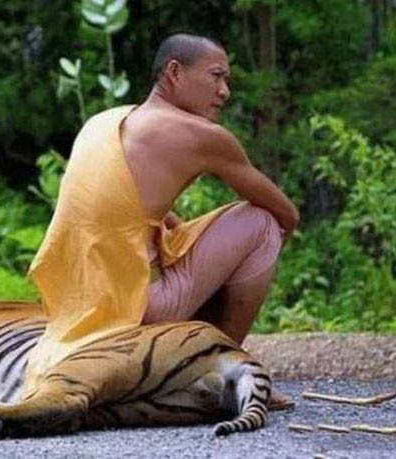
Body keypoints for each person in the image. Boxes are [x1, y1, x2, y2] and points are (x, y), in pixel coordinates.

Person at [27, 34, 298, 408]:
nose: (224, 92)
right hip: (139, 306)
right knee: (263, 225)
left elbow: (121, 205)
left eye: (227, 81)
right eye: (216, 76)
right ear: (174, 72)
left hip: (79, 305)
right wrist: (240, 267)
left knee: (181, 233)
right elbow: (288, 215)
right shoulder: (204, 136)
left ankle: (190, 351)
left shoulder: (105, 121)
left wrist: (182, 242)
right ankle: (222, 368)